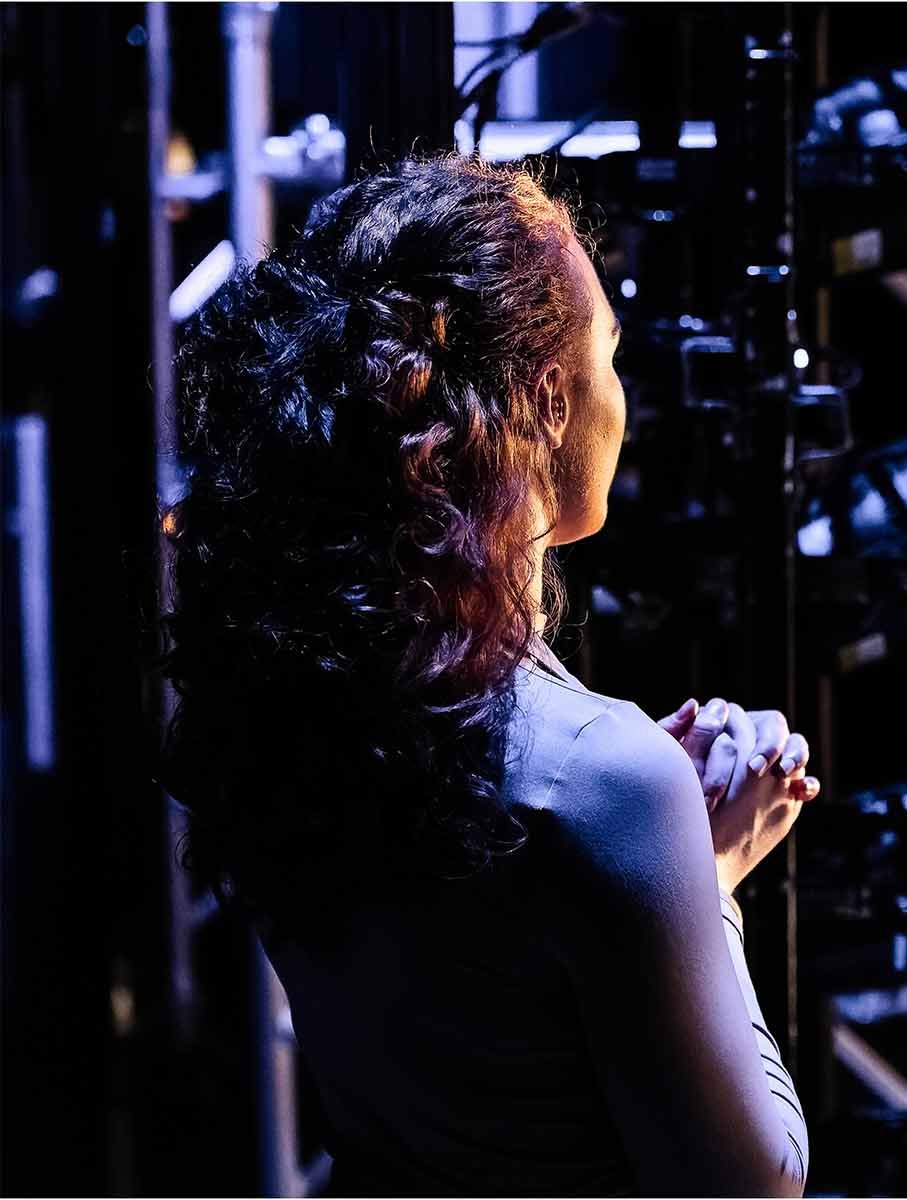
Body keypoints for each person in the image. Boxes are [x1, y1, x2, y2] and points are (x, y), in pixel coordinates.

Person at [156, 155, 813, 1196]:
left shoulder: (294, 708)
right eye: (610, 356)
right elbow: (755, 1181)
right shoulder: (607, 778)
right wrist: (711, 882)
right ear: (551, 399)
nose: (623, 400)